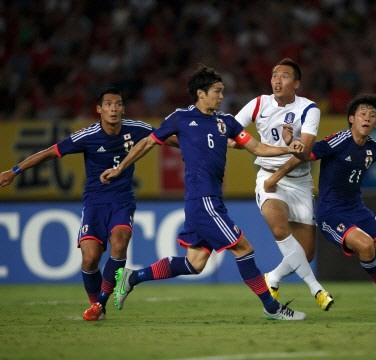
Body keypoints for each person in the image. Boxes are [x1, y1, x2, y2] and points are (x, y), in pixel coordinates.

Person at [100, 64, 307, 321]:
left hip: (210, 200)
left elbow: (256, 147)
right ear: (200, 93)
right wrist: (120, 168)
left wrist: (289, 149)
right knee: (244, 249)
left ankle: (133, 277)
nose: (222, 97)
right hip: (203, 200)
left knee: (194, 264)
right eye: (217, 91)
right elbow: (147, 143)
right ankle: (272, 308)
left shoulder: (226, 122)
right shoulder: (180, 118)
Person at [264, 93, 376, 318]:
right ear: (352, 118)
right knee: (366, 245)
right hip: (331, 212)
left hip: (357, 209)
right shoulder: (337, 141)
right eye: (362, 113)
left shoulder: (373, 148)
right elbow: (301, 157)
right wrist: (274, 178)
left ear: (375, 123)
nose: (367, 118)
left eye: (372, 115)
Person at [0, 87, 155, 321]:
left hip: (122, 202)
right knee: (90, 259)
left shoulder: (137, 129)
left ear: (123, 109)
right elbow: (51, 152)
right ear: (99, 109)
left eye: (118, 104)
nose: (113, 108)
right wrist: (15, 170)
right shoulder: (87, 136)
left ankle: (99, 304)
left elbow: (164, 137)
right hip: (94, 204)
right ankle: (96, 304)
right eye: (108, 104)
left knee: (119, 244)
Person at [234, 58, 333, 311]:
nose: (277, 80)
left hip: (299, 183)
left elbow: (305, 151)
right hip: (267, 178)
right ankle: (316, 288)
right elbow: (232, 130)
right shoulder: (259, 103)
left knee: (306, 254)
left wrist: (294, 142)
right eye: (275, 75)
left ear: (296, 83)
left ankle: (273, 277)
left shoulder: (309, 109)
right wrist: (238, 140)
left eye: (285, 76)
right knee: (279, 229)